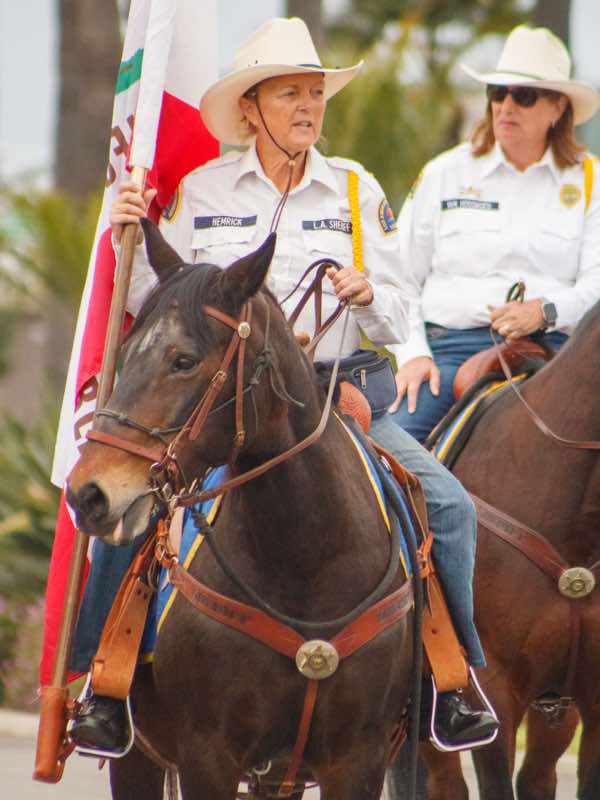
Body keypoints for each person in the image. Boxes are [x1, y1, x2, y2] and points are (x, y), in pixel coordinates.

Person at [70, 17, 496, 754]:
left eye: (315, 93)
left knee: (451, 507)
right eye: (290, 93)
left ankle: (450, 684)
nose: (308, 106)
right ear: (251, 108)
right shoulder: (203, 190)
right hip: (226, 404)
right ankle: (104, 685)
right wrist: (126, 233)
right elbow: (156, 305)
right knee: (135, 508)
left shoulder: (357, 190)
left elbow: (403, 313)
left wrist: (370, 295)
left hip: (340, 400)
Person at [387, 24, 600, 444]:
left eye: (523, 96)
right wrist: (412, 356)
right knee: (391, 453)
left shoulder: (592, 180)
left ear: (557, 107)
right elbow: (398, 276)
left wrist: (546, 311)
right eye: (497, 93)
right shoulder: (444, 173)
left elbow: (597, 283)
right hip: (451, 350)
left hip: (558, 354)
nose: (506, 106)